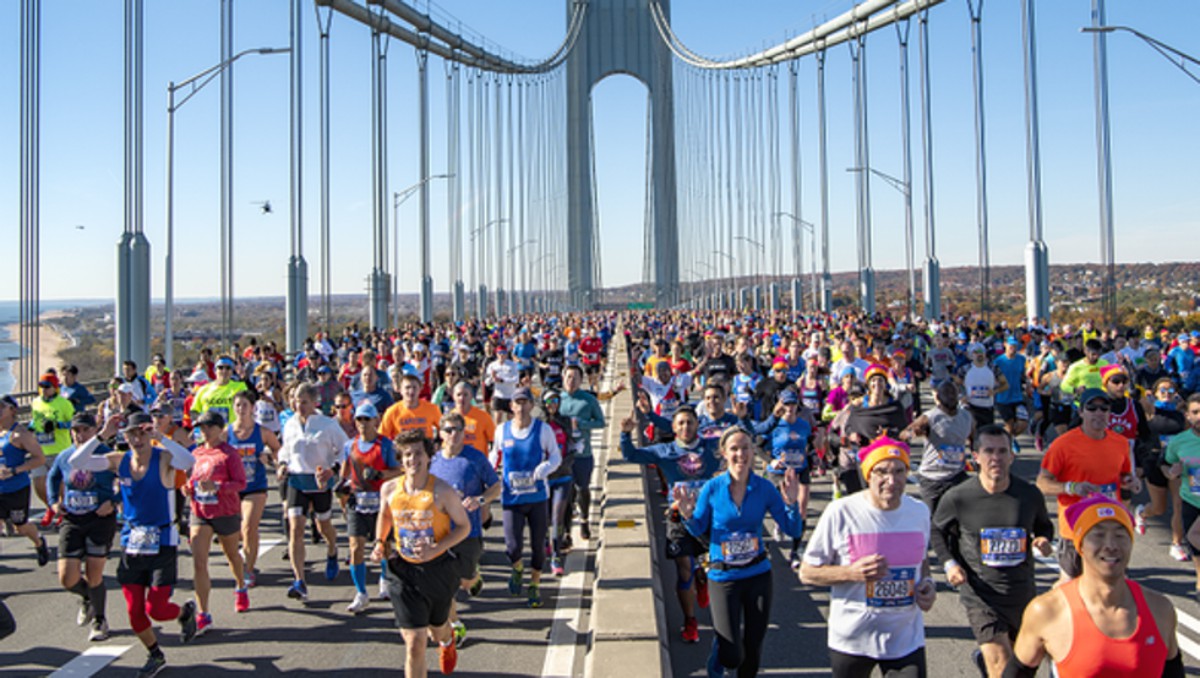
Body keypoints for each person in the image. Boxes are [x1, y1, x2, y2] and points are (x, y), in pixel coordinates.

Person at [66, 411, 199, 678]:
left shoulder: (163, 458)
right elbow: (76, 461)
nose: (137, 439)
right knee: (135, 612)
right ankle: (154, 654)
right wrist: (103, 434)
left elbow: (188, 460)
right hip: (132, 541)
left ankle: (185, 612)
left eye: (142, 432)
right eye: (132, 434)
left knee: (157, 609)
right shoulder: (120, 460)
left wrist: (160, 437)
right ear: (125, 437)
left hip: (162, 540)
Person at [801, 437, 936, 678]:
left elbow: (921, 560)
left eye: (899, 471)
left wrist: (927, 584)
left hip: (905, 639)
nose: (891, 480)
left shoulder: (919, 511)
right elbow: (807, 572)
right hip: (853, 639)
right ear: (868, 475)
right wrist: (851, 573)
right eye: (881, 472)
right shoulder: (841, 512)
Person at [1008, 495, 1182, 677]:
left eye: (1120, 535)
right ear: (1080, 545)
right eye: (1098, 535)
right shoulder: (1047, 611)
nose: (1111, 545)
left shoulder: (1160, 609)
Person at [675, 426, 801, 678]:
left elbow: (792, 529)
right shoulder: (712, 488)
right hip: (724, 577)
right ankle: (719, 654)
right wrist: (687, 515)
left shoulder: (764, 488)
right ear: (724, 453)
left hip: (758, 574)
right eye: (734, 449)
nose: (740, 454)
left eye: (746, 448)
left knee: (752, 650)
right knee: (731, 655)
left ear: (753, 451)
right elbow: (698, 527)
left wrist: (791, 504)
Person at [930, 425, 1054, 677]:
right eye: (988, 451)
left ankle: (983, 662)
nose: (995, 458)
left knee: (1023, 667)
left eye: (1001, 451)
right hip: (981, 596)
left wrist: (1043, 539)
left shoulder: (1028, 495)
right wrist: (949, 564)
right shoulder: (959, 497)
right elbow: (936, 531)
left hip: (1021, 592)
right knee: (1001, 664)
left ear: (1012, 456)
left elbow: (1044, 525)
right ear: (975, 456)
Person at [371, 429, 472, 678]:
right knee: (415, 643)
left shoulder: (442, 491)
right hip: (403, 571)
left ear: (428, 457)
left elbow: (464, 527)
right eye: (406, 455)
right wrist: (379, 542)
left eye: (417, 453)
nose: (412, 460)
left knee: (437, 631)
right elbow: (385, 516)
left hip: (437, 569)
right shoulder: (389, 489)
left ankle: (447, 641)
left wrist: (437, 548)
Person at [621, 405, 722, 644]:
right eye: (681, 423)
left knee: (713, 567)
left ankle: (703, 579)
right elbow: (632, 455)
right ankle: (690, 621)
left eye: (690, 422)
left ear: (698, 425)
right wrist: (625, 434)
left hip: (709, 516)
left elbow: (742, 442)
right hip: (678, 518)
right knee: (683, 570)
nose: (686, 427)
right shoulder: (665, 451)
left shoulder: (711, 448)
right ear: (674, 428)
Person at [1037, 388, 1139, 581]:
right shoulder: (1063, 444)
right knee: (1069, 584)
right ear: (1081, 412)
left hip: (1108, 525)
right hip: (1075, 527)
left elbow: (1124, 475)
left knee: (1111, 582)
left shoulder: (1120, 443)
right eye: (1092, 408)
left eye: (1104, 408)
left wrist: (1130, 482)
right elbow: (1042, 483)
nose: (1099, 413)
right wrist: (1072, 488)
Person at [429, 411, 501, 646]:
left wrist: (480, 500)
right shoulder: (434, 462)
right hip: (442, 532)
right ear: (440, 434)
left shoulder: (476, 458)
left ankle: (475, 577)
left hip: (469, 531)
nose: (453, 435)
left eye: (458, 430)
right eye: (448, 430)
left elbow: (496, 486)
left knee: (465, 580)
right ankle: (455, 624)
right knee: (446, 581)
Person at [277, 382, 350, 601]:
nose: (299, 406)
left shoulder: (327, 425)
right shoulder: (289, 423)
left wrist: (332, 470)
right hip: (297, 479)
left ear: (314, 402)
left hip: (319, 481)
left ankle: (332, 549)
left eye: (304, 402)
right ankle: (299, 581)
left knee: (323, 525)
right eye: (297, 402)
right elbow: (285, 450)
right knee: (296, 528)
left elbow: (345, 450)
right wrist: (282, 464)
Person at [47, 412, 116, 641]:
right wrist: (53, 502)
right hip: (72, 519)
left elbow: (130, 479)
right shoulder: (65, 456)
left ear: (95, 431)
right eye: (76, 431)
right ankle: (87, 598)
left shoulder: (107, 455)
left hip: (99, 518)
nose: (80, 435)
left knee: (94, 573)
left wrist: (114, 502)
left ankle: (99, 620)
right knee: (67, 578)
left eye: (86, 430)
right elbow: (53, 478)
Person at [490, 387, 561, 609]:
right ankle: (518, 567)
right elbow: (495, 456)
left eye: (525, 403)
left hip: (537, 497)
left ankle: (535, 584)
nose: (521, 407)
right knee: (512, 546)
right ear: (511, 407)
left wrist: (544, 469)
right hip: (512, 498)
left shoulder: (543, 430)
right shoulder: (502, 431)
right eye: (517, 403)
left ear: (531, 405)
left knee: (539, 546)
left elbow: (556, 457)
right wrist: (489, 475)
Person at [186, 410, 249, 633]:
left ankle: (241, 585)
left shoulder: (229, 454)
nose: (204, 432)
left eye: (208, 427)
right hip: (200, 512)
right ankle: (203, 613)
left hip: (225, 512)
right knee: (199, 561)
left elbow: (241, 483)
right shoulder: (196, 453)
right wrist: (188, 487)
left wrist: (219, 487)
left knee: (231, 554)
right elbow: (192, 478)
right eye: (201, 428)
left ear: (220, 429)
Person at [340, 402, 401, 614]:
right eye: (359, 419)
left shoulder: (386, 445)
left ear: (376, 420)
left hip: (381, 503)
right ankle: (361, 592)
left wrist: (381, 475)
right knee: (355, 547)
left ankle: (384, 579)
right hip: (358, 501)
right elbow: (345, 471)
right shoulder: (350, 445)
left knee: (383, 544)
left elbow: (400, 471)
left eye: (367, 419)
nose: (363, 424)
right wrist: (341, 487)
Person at [747, 388, 814, 569]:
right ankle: (779, 523)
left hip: (800, 469)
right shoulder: (774, 425)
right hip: (779, 472)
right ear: (780, 405)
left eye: (793, 403)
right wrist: (772, 460)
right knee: (781, 505)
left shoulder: (803, 425)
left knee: (801, 507)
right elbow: (758, 447)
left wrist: (812, 456)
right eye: (786, 404)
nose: (790, 407)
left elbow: (810, 443)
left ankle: (795, 550)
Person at [227, 391, 280, 589]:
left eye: (245, 405)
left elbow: (278, 450)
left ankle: (248, 569)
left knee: (249, 527)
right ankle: (242, 559)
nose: (241, 409)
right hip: (232, 487)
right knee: (235, 532)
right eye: (238, 405)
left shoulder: (263, 432)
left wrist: (269, 457)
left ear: (253, 408)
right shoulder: (226, 433)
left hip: (255, 486)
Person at [903, 381, 974, 515]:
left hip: (956, 476)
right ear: (939, 398)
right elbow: (906, 433)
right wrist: (912, 432)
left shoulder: (966, 417)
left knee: (960, 517)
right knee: (932, 520)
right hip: (932, 478)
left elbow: (975, 441)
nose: (950, 396)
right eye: (946, 393)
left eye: (953, 393)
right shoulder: (930, 417)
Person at [0, 395, 50, 566]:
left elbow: (39, 459)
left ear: (12, 410)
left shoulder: (20, 434)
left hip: (15, 488)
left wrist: (15, 470)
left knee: (20, 526)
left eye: (1, 407)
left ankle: (39, 542)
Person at [559, 365, 605, 540]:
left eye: (575, 378)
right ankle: (567, 532)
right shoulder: (558, 399)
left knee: (582, 488)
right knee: (566, 492)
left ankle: (584, 520)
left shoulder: (588, 400)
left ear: (581, 380)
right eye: (569, 377)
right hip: (563, 455)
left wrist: (582, 423)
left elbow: (600, 422)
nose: (571, 381)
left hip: (583, 454)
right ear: (563, 379)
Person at [1162, 393, 1200, 600]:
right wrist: (1171, 472)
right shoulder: (1179, 442)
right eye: (1195, 412)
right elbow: (1166, 464)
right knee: (1194, 543)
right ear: (1187, 416)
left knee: (1194, 536)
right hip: (1191, 498)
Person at [30, 371, 76, 527]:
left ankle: (63, 512)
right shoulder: (36, 403)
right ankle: (50, 507)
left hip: (60, 449)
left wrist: (58, 425)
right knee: (38, 483)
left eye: (47, 386)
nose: (44, 389)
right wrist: (30, 429)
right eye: (41, 386)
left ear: (55, 388)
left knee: (61, 484)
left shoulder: (64, 404)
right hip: (40, 449)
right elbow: (34, 421)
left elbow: (74, 423)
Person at [380, 373, 442, 441]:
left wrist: (438, 443)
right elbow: (382, 436)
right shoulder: (392, 411)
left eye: (414, 387)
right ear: (400, 390)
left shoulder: (432, 409)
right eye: (407, 387)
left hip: (425, 449)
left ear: (420, 389)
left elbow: (443, 429)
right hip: (402, 449)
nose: (411, 391)